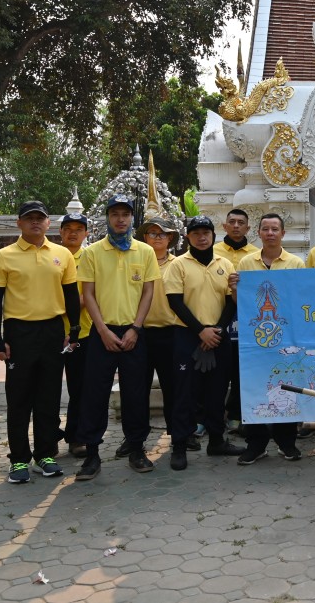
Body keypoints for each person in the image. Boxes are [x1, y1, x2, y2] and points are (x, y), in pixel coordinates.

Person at [0, 200, 80, 484]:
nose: (35, 222)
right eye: (29, 218)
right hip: (20, 332)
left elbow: (71, 296)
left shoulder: (62, 255)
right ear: (19, 223)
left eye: (40, 218)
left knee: (48, 397)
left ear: (48, 223)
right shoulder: (3, 256)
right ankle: (18, 459)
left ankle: (45, 455)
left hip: (52, 331)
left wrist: (74, 331)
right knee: (19, 398)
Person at [75, 194, 160, 481]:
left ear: (132, 218)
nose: (120, 219)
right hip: (102, 333)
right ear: (108, 218)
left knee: (135, 393)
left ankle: (136, 448)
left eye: (125, 214)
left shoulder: (145, 252)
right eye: (115, 214)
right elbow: (88, 294)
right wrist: (102, 330)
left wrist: (136, 328)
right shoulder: (92, 253)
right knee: (95, 393)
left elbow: (148, 292)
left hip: (134, 333)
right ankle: (92, 454)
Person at [164, 216, 244, 471]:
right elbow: (175, 302)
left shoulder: (225, 264)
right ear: (188, 237)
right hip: (187, 335)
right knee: (185, 393)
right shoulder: (178, 264)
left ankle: (217, 441)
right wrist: (201, 331)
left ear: (213, 235)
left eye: (206, 233)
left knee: (217, 391)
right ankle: (179, 445)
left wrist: (217, 330)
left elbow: (231, 301)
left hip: (218, 335)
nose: (201, 237)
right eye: (196, 233)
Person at [235, 213, 306, 464]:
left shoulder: (296, 263)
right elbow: (239, 301)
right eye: (265, 229)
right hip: (254, 339)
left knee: (286, 386)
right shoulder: (246, 263)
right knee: (254, 387)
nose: (270, 233)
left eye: (275, 229)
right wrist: (234, 288)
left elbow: (302, 298)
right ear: (259, 233)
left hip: (287, 337)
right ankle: (256, 443)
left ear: (283, 233)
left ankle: (287, 442)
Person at [133, 216, 199, 453]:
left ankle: (181, 433)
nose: (157, 237)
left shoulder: (179, 263)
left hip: (171, 332)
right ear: (145, 237)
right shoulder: (136, 262)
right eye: (152, 233)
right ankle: (135, 438)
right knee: (137, 388)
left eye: (162, 233)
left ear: (170, 237)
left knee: (175, 387)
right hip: (140, 332)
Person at [216, 208, 257, 435]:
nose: (236, 226)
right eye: (232, 222)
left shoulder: (256, 254)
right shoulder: (213, 251)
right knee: (219, 368)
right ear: (224, 226)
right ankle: (210, 416)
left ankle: (235, 414)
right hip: (219, 315)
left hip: (248, 317)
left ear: (248, 228)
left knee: (242, 368)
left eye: (241, 223)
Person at [56, 211, 92, 459]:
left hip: (83, 332)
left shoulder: (90, 257)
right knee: (46, 389)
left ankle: (77, 436)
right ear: (60, 232)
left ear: (86, 233)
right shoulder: (51, 256)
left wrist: (65, 305)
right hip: (51, 331)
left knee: (80, 388)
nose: (73, 233)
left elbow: (93, 292)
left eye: (78, 229)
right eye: (68, 228)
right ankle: (48, 437)